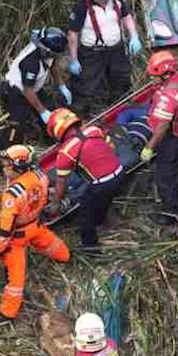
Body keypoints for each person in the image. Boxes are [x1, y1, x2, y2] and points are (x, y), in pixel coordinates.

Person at [0, 145, 70, 320]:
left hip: (18, 237)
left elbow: (6, 231)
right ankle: (67, 257)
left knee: (16, 280)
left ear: (18, 166)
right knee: (57, 248)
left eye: (7, 165)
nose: (4, 169)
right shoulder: (40, 176)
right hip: (35, 226)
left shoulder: (12, 195)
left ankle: (7, 313)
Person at [66, 0, 143, 115]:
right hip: (91, 54)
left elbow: (126, 17)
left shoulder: (116, 1)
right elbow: (73, 34)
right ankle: (82, 115)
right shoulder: (82, 7)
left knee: (121, 79)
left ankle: (119, 108)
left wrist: (134, 36)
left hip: (115, 50)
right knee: (86, 85)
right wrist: (74, 59)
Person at [47, 108, 125, 252]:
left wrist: (56, 204)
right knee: (104, 198)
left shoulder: (65, 152)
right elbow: (112, 148)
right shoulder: (93, 130)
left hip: (102, 183)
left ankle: (91, 248)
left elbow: (61, 183)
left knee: (85, 214)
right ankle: (102, 220)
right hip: (120, 172)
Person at [140, 52, 178, 224]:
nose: (152, 79)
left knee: (164, 175)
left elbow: (162, 127)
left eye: (155, 76)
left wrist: (149, 147)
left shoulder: (168, 96)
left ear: (166, 74)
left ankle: (170, 213)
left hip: (169, 136)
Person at [0, 27, 72, 143]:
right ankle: (9, 151)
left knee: (53, 115)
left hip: (34, 88)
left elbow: (53, 66)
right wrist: (42, 111)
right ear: (46, 50)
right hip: (16, 92)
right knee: (17, 126)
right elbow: (28, 91)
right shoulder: (31, 62)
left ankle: (52, 141)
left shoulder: (47, 53)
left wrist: (62, 86)